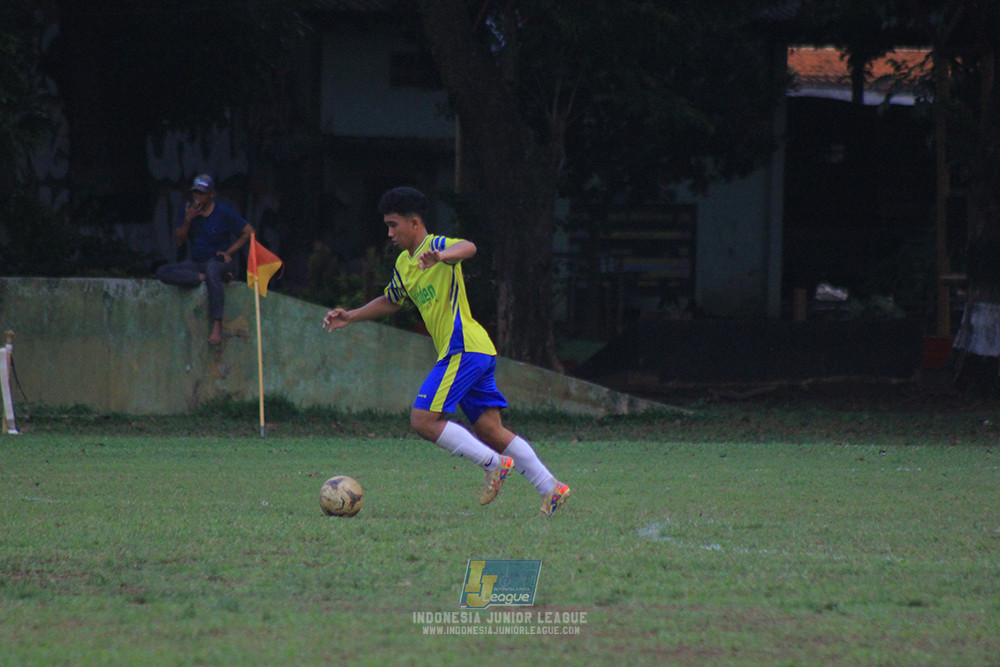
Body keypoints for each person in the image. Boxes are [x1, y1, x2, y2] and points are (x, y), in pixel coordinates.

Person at [323, 186, 570, 517]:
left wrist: (441, 257)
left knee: (423, 420)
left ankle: (495, 464)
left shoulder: (435, 245)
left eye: (394, 225)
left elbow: (469, 247)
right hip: (475, 350)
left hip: (463, 348)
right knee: (489, 429)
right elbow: (391, 301)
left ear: (414, 223)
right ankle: (551, 488)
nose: (390, 233)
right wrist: (350, 316)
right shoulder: (403, 263)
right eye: (387, 225)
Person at [156, 174, 253, 344]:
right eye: (195, 193)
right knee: (163, 271)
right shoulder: (188, 210)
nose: (197, 197)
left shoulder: (222, 211)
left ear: (211, 194)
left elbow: (249, 232)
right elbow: (179, 241)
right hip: (198, 264)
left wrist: (229, 251)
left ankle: (217, 326)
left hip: (220, 262)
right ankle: (202, 279)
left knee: (212, 269)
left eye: (201, 193)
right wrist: (188, 220)